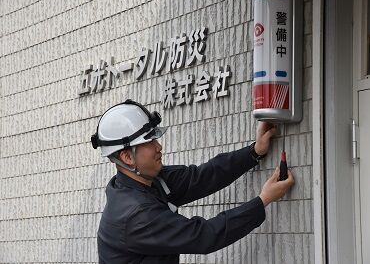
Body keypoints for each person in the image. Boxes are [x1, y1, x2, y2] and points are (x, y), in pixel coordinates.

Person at [91, 99, 294, 264]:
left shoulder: (147, 181)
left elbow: (201, 177)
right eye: (150, 141)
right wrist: (263, 200)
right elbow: (203, 236)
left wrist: (254, 152)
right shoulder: (137, 215)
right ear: (127, 157)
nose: (158, 146)